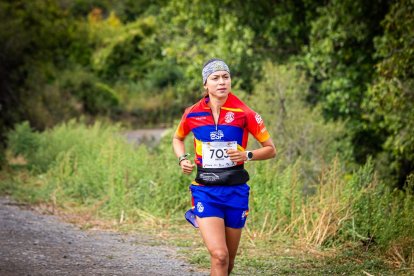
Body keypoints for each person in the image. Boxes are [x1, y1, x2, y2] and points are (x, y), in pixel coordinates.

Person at [172, 58, 276, 276]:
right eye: (215, 78)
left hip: (236, 192)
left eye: (226, 77)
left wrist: (246, 154)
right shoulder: (192, 113)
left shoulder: (245, 113)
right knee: (219, 256)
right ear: (205, 84)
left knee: (228, 262)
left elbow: (270, 149)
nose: (222, 82)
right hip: (206, 191)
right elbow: (177, 138)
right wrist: (182, 159)